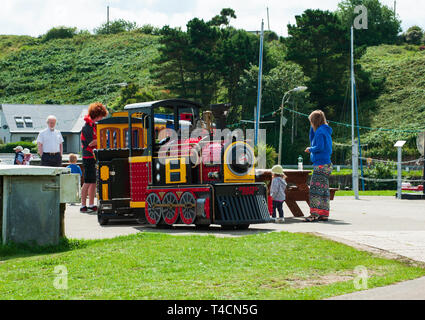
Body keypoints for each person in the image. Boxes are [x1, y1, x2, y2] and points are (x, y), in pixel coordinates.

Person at [304, 110, 333, 222]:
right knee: (324, 191)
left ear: (314, 121)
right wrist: (312, 128)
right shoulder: (324, 130)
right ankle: (324, 213)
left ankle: (314, 214)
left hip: (320, 164)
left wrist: (310, 149)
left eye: (311, 122)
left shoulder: (320, 132)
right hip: (326, 164)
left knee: (315, 190)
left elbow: (319, 147)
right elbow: (313, 140)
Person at [80, 102, 108, 213]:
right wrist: (103, 138)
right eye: (101, 116)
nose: (101, 118)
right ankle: (83, 205)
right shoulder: (86, 127)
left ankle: (91, 204)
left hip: (95, 156)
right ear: (96, 115)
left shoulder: (95, 126)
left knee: (93, 182)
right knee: (87, 181)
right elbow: (90, 143)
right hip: (88, 157)